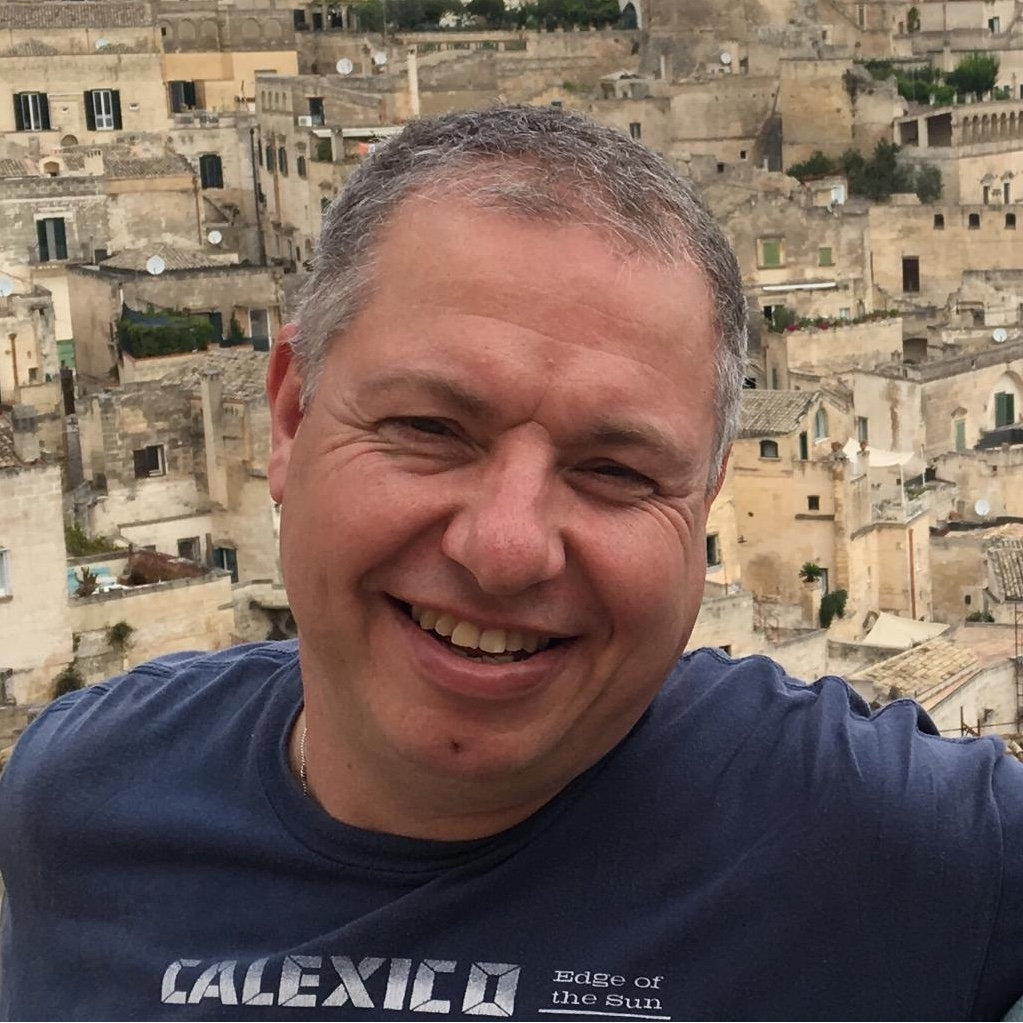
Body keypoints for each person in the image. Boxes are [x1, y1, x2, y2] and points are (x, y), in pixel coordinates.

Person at [2, 105, 1023, 1021]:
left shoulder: (871, 837)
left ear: (703, 502)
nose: (504, 548)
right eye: (430, 428)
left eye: (615, 470)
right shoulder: (83, 795)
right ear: (290, 417)